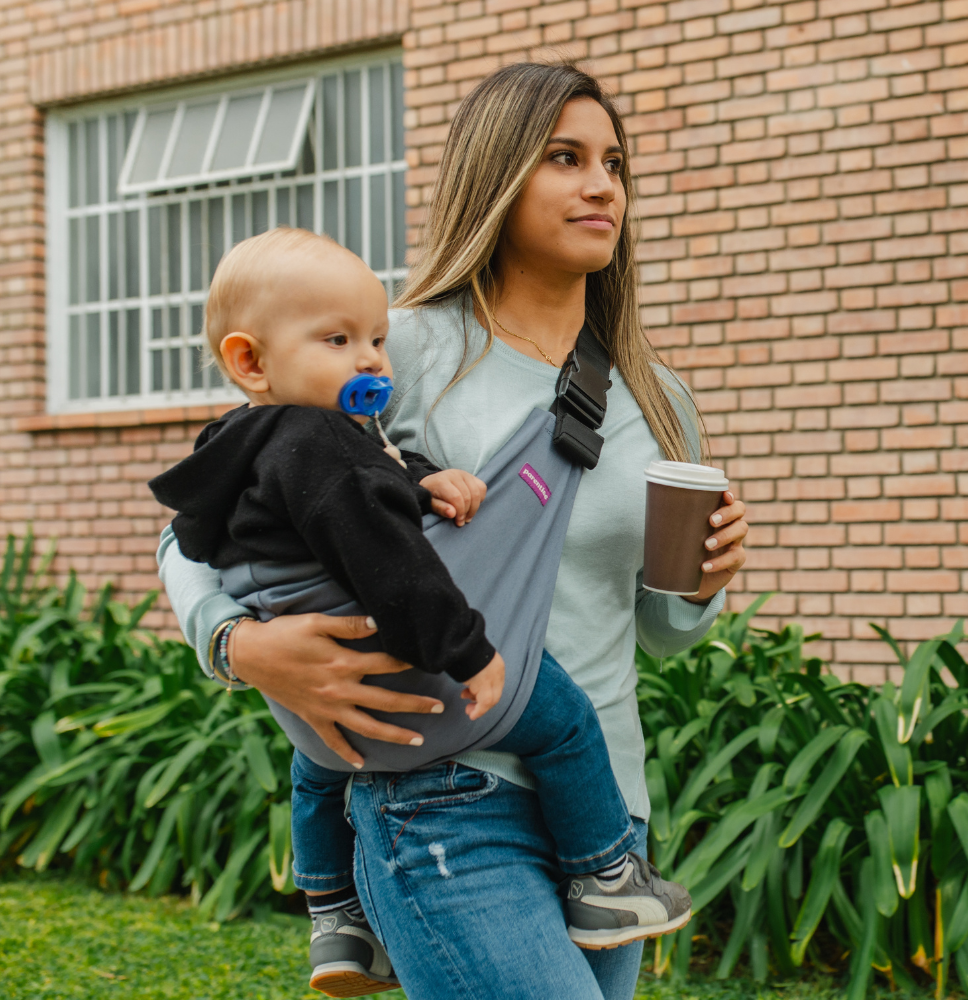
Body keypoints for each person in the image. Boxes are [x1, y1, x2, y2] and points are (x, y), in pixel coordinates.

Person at [157, 63, 749, 1000]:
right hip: (442, 794)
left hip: (605, 817)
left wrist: (704, 583)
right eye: (565, 158)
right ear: (498, 175)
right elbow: (205, 523)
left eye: (614, 163)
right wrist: (239, 644)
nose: (602, 185)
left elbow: (658, 631)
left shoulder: (657, 399)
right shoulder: (395, 347)